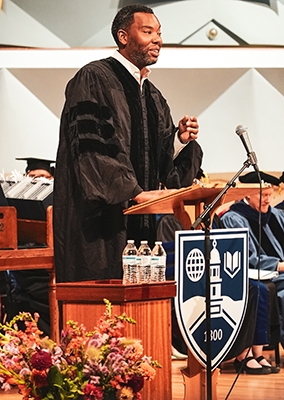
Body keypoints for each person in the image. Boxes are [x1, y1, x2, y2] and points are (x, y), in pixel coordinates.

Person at [53, 4, 203, 283]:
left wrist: (179, 141)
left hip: (140, 225)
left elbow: (156, 160)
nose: (158, 39)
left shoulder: (152, 95)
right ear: (123, 36)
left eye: (159, 33)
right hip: (99, 226)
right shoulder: (94, 78)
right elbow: (93, 150)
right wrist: (133, 191)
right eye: (148, 32)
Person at [221, 170, 284, 372]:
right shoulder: (234, 218)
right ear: (248, 194)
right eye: (262, 194)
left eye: (270, 194)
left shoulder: (276, 215)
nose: (267, 200)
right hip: (260, 275)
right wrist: (279, 265)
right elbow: (245, 256)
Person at [3, 157, 55, 335]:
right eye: (32, 177)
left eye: (43, 176)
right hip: (23, 266)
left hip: (46, 266)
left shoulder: (59, 200)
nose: (38, 181)